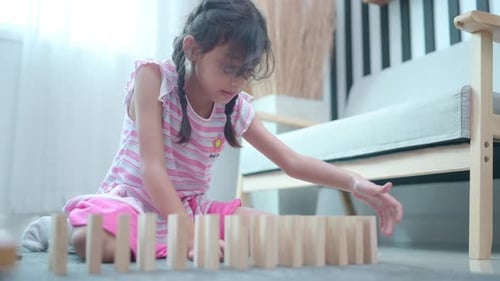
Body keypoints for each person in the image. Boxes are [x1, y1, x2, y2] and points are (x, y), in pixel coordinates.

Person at [21, 0, 403, 262]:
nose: (238, 81)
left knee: (271, 230)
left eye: (246, 71)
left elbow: (292, 161)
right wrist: (187, 236)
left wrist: (355, 183)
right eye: (229, 67)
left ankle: (161, 238)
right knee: (96, 242)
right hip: (134, 202)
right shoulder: (154, 78)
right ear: (192, 49)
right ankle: (68, 227)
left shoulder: (235, 105)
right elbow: (153, 170)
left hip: (188, 211)